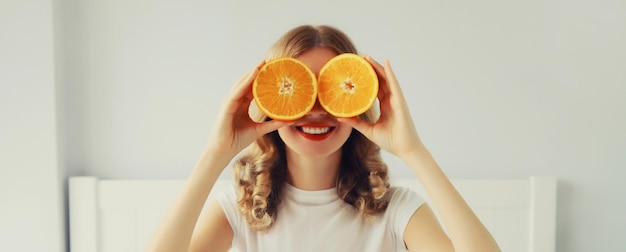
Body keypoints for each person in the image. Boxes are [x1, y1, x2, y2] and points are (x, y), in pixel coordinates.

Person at [146, 25, 500, 252]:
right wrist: (215, 154)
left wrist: (413, 151)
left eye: (333, 90)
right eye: (297, 90)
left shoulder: (396, 210)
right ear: (269, 101)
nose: (316, 111)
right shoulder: (238, 212)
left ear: (360, 99)